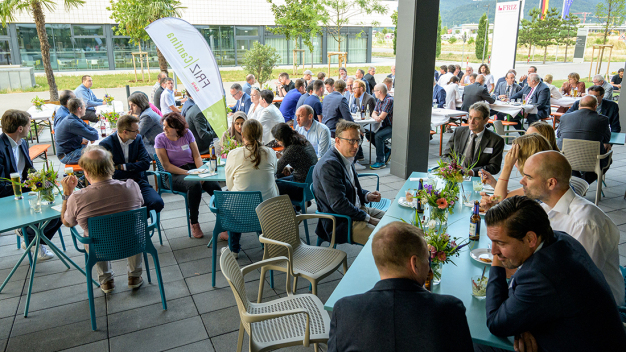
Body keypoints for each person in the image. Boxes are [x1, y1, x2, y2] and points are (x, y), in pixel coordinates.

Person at [476, 196, 626, 352]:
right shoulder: (561, 239)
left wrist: (497, 264)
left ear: (530, 239)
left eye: (500, 243)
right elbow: (520, 291)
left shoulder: (540, 275)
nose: (493, 251)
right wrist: (522, 321)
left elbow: (495, 323)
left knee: (478, 344)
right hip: (600, 337)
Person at [328, 222, 473, 352]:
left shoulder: (344, 310)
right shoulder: (450, 310)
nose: (429, 266)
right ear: (414, 263)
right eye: (427, 258)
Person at [520, 151, 624, 305]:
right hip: (562, 287)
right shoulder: (546, 208)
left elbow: (580, 283)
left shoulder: (585, 223)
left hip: (598, 305)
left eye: (528, 177)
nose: (522, 181)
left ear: (551, 183)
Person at [60, 145, 145, 293]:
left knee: (95, 235)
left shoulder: (77, 198)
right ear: (111, 167)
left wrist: (67, 194)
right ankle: (134, 276)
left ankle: (106, 281)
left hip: (99, 249)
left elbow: (67, 222)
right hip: (133, 243)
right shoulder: (132, 186)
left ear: (85, 172)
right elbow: (140, 205)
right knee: (131, 228)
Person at [1, 109, 61, 261]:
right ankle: (31, 237)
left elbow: (29, 169)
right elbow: (1, 185)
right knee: (48, 212)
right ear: (20, 129)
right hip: (8, 195)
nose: (30, 128)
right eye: (28, 126)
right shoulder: (0, 149)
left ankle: (30, 237)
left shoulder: (21, 142)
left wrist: (44, 179)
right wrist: (30, 186)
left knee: (62, 209)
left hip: (26, 188)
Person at [312, 120, 384, 245]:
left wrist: (367, 195)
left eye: (358, 140)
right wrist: (369, 219)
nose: (356, 146)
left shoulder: (346, 156)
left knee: (395, 221)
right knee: (387, 239)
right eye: (351, 141)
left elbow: (353, 188)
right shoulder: (329, 165)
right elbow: (339, 204)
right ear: (338, 141)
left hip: (357, 211)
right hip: (342, 222)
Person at [155, 113, 221, 239]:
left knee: (214, 185)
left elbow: (197, 156)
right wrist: (190, 174)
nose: (165, 129)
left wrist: (200, 171)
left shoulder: (187, 134)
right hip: (172, 174)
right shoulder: (160, 139)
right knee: (194, 184)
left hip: (193, 169)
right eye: (164, 126)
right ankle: (194, 222)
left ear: (178, 128)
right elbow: (166, 166)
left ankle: (223, 221)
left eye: (168, 127)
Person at [225, 119, 278, 257]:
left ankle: (234, 249)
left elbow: (230, 184)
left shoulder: (234, 154)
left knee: (233, 198)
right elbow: (273, 174)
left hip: (241, 212)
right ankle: (266, 242)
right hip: (268, 211)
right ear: (261, 135)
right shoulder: (270, 153)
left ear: (242, 135)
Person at [99, 115, 164, 215]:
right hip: (117, 185)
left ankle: (138, 222)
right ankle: (132, 224)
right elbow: (109, 171)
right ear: (125, 132)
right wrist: (134, 167)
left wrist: (121, 166)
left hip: (138, 182)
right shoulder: (106, 144)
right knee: (120, 209)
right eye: (135, 130)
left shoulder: (137, 139)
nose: (138, 132)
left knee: (157, 203)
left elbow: (146, 164)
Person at [479, 133, 555, 208]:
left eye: (514, 154)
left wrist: (507, 166)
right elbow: (511, 196)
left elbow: (501, 201)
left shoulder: (536, 181)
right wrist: (494, 183)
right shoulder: (541, 176)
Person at [557, 95, 612, 183]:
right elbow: (606, 139)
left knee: (569, 161)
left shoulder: (565, 117)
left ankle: (577, 182)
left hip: (566, 158)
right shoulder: (603, 120)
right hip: (592, 160)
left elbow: (559, 135)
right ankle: (583, 182)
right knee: (607, 159)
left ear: (579, 105)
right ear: (595, 106)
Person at [443, 102, 504, 176]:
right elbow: (446, 154)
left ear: (486, 120)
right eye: (470, 117)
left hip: (477, 178)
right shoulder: (458, 132)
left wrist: (472, 172)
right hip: (454, 174)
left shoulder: (496, 140)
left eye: (476, 119)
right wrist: (452, 166)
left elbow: (494, 167)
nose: (471, 122)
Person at [272, 123, 318, 201]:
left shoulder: (292, 148)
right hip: (311, 185)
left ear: (283, 139)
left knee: (273, 185)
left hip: (301, 187)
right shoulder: (302, 141)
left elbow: (276, 169)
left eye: (277, 140)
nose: (277, 143)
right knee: (281, 175)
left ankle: (290, 208)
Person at [55, 98, 99, 164]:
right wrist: (91, 135)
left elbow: (89, 129)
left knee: (97, 149)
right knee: (98, 154)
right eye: (84, 107)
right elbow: (94, 136)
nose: (85, 108)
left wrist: (89, 136)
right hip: (68, 155)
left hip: (74, 149)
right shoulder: (72, 122)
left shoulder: (73, 118)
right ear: (79, 108)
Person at [367, 84, 393, 170]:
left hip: (392, 126)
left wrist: (377, 116)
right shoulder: (379, 100)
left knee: (378, 136)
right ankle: (386, 150)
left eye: (374, 91)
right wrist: (376, 116)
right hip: (383, 125)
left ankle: (380, 161)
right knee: (368, 134)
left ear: (379, 92)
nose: (373, 92)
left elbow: (381, 117)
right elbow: (374, 113)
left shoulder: (389, 100)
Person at [128, 92, 162, 158]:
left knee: (131, 153)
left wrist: (128, 121)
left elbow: (136, 135)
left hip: (156, 148)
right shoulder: (146, 112)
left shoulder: (147, 116)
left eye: (133, 105)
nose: (131, 108)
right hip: (153, 143)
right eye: (130, 105)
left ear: (141, 105)